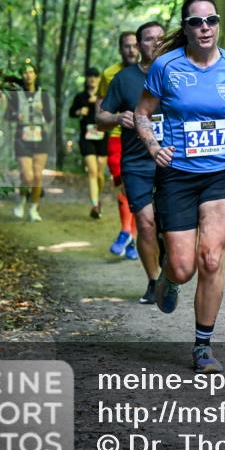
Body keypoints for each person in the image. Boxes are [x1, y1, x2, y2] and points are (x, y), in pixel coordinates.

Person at [134, 0, 225, 373]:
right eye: (196, 22)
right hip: (178, 176)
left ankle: (203, 347)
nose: (204, 27)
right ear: (185, 27)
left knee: (212, 257)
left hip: (221, 172)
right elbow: (142, 113)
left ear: (218, 25)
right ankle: (167, 279)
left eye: (211, 21)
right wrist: (153, 146)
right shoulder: (165, 67)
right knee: (184, 267)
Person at [97, 21, 166, 303]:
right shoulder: (124, 79)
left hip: (173, 163)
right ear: (139, 46)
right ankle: (154, 282)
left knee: (169, 227)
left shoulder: (181, 75)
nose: (157, 43)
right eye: (149, 39)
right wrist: (116, 117)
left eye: (162, 38)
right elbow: (99, 118)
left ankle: (170, 271)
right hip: (137, 163)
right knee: (146, 222)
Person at [99, 32, 141, 259]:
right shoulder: (109, 74)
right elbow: (102, 108)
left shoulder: (153, 71)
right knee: (125, 184)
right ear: (119, 49)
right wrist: (113, 118)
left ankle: (130, 235)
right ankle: (128, 232)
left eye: (135, 46)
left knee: (133, 187)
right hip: (117, 136)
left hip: (142, 138)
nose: (131, 51)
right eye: (126, 46)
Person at [6, 62, 53, 222]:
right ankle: (21, 200)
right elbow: (7, 116)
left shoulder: (43, 94)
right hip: (22, 137)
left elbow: (49, 118)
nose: (28, 75)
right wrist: (15, 116)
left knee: (38, 176)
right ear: (22, 76)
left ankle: (34, 208)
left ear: (36, 74)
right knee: (27, 176)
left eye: (31, 72)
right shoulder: (15, 95)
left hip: (40, 137)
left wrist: (43, 109)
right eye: (25, 73)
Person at [69, 68, 108, 219]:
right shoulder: (80, 97)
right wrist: (80, 111)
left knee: (99, 173)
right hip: (86, 137)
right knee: (92, 171)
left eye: (95, 76)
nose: (92, 79)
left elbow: (114, 111)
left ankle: (98, 199)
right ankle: (94, 204)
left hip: (102, 136)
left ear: (99, 79)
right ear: (86, 79)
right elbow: (71, 112)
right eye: (89, 76)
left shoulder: (104, 95)